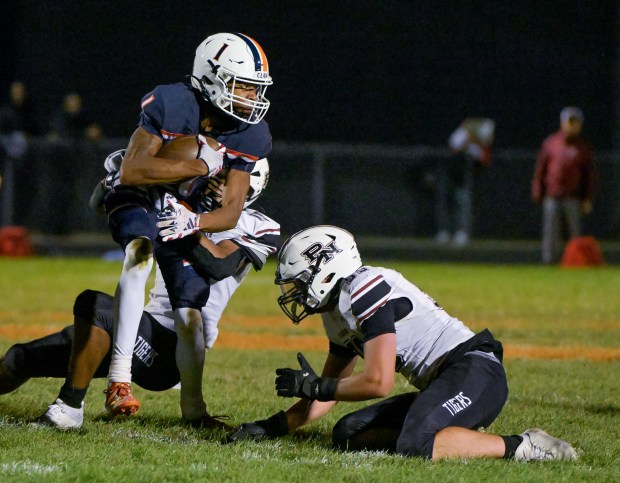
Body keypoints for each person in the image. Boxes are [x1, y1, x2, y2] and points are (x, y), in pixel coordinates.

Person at [226, 225, 577, 462]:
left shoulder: (364, 288)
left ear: (326, 268)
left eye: (300, 283)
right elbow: (330, 392)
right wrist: (275, 425)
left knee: (415, 442)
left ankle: (524, 445)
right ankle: (451, 433)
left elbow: (378, 381)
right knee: (348, 433)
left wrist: (316, 385)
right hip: (444, 382)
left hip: (474, 371)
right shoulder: (336, 310)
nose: (296, 294)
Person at [0, 177, 280, 430]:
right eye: (215, 176)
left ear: (250, 186)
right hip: (138, 328)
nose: (213, 183)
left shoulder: (255, 223)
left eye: (225, 179)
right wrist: (118, 181)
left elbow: (218, 264)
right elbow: (103, 204)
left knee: (95, 306)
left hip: (171, 348)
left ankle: (69, 408)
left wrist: (186, 223)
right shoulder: (187, 202)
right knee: (20, 357)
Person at [100, 32, 273, 418]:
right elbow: (134, 169)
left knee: (190, 310)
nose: (250, 97)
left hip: (184, 213)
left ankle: (194, 407)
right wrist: (199, 166)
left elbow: (230, 212)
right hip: (147, 196)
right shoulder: (174, 103)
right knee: (139, 255)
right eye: (242, 86)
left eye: (254, 89)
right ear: (211, 76)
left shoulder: (252, 134)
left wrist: (193, 220)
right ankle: (119, 378)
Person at [531, 107, 596, 264]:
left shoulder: (582, 147)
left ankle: (576, 262)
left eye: (576, 122)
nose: (572, 126)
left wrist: (587, 198)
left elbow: (589, 175)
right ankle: (549, 262)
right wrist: (538, 191)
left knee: (575, 233)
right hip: (552, 196)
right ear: (562, 123)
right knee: (551, 233)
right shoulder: (551, 143)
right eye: (570, 122)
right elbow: (541, 169)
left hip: (572, 197)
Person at [434, 118, 495, 247]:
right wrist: (467, 140)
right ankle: (444, 232)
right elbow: (452, 146)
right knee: (445, 205)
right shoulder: (461, 135)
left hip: (463, 179)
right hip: (449, 176)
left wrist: (471, 145)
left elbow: (484, 159)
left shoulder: (476, 146)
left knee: (463, 206)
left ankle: (461, 233)